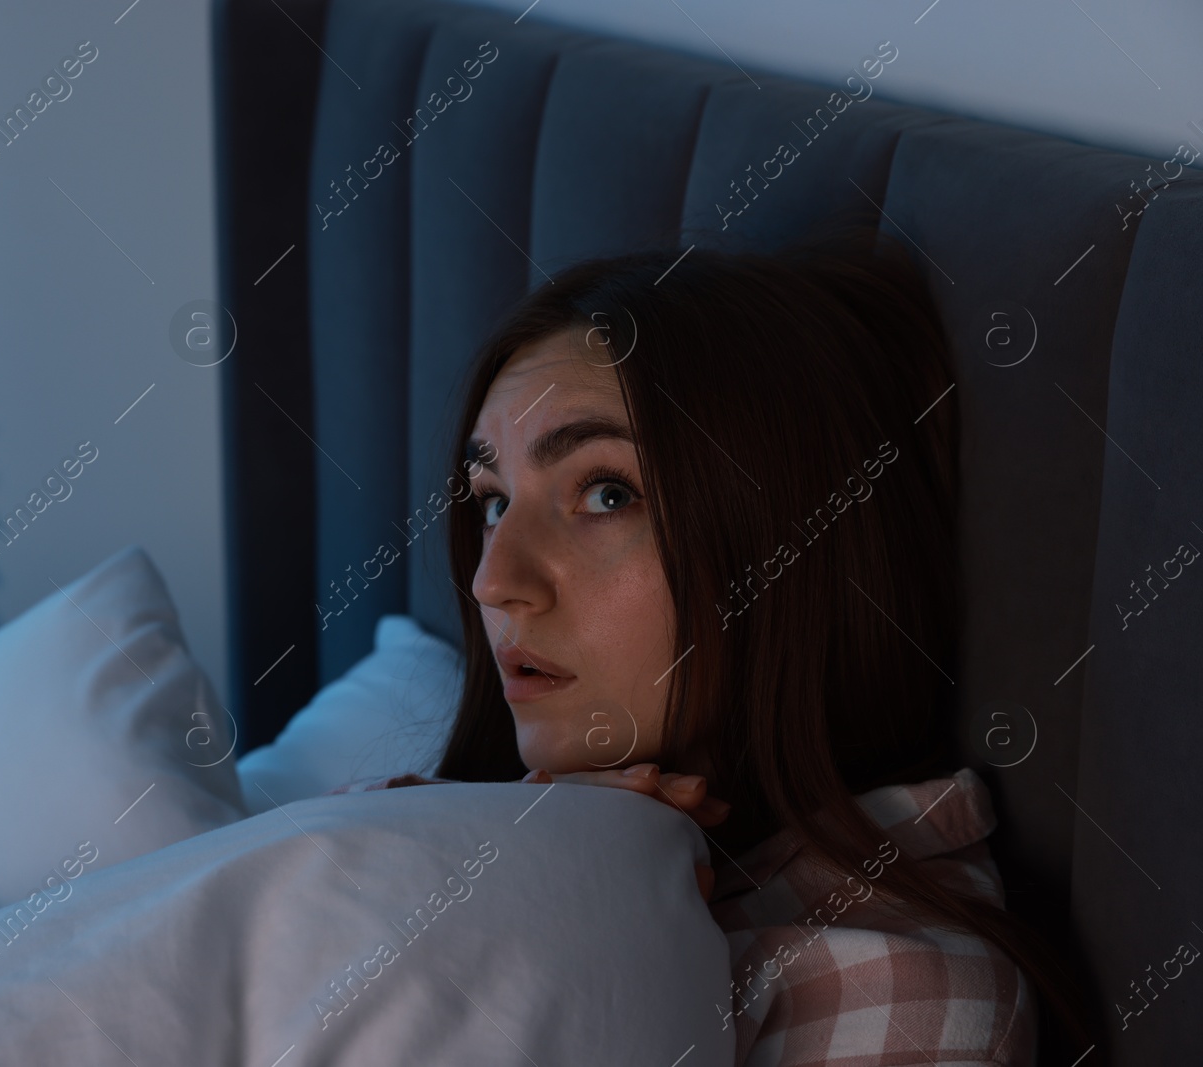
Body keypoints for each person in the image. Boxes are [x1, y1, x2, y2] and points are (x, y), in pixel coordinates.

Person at [329, 230, 1101, 1065]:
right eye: (492, 500)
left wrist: (587, 901)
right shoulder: (473, 827)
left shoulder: (898, 988)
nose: (493, 580)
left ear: (793, 547)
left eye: (606, 492)